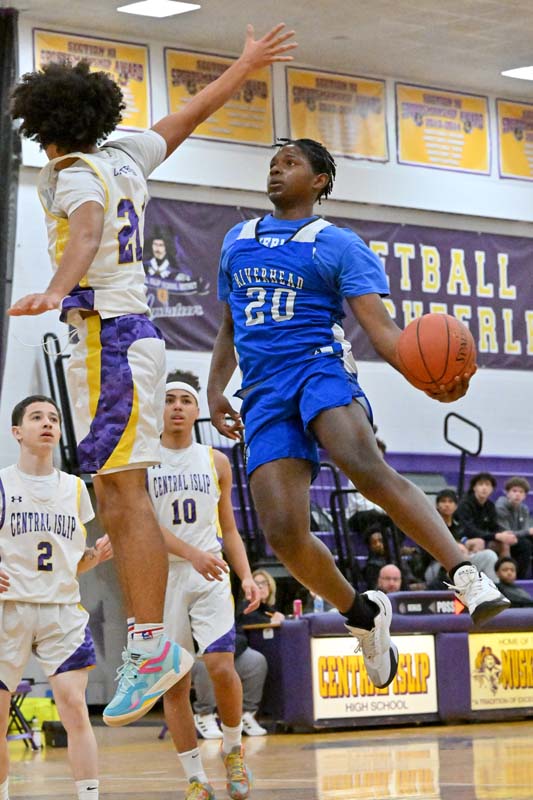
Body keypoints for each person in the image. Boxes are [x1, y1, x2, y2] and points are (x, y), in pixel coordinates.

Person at [9, 23, 297, 727]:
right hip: (123, 339)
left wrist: (56, 288)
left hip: (107, 337)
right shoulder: (127, 154)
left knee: (122, 491)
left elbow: (85, 229)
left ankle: (147, 645)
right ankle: (150, 643)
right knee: (114, 487)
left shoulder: (76, 172)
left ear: (43, 129)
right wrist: (244, 63)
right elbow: (187, 115)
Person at [207, 137, 509, 691]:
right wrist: (213, 389)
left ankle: (465, 572)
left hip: (317, 366)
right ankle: (363, 615)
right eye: (273, 163)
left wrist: (428, 381)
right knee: (284, 535)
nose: (277, 170)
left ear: (320, 180)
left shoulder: (338, 243)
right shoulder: (236, 240)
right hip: (263, 391)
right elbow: (229, 325)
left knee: (363, 465)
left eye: (290, 163)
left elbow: (385, 332)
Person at [146, 375, 262, 800]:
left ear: (197, 411)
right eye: (169, 400)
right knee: (175, 682)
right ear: (159, 409)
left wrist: (246, 575)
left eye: (185, 400)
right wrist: (191, 554)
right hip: (162, 576)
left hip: (210, 572)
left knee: (220, 665)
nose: (177, 406)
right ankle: (195, 777)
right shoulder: (144, 460)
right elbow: (145, 528)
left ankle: (233, 751)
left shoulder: (216, 461)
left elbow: (228, 527)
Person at [0, 395, 113, 800]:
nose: (47, 423)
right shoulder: (2, 483)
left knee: (74, 707)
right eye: (36, 417)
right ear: (17, 432)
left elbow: (69, 563)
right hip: (8, 609)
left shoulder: (75, 489)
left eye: (53, 418)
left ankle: (89, 796)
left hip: (61, 611)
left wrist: (93, 558)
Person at [423, 489, 499, 588]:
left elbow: (465, 542)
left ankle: (494, 589)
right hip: (438, 566)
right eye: (443, 501)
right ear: (437, 505)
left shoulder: (460, 525)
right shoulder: (431, 525)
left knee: (489, 555)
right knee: (459, 552)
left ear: (456, 506)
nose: (447, 505)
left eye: (450, 502)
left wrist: (471, 544)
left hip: (463, 563)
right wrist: (456, 547)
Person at [456, 473, 518, 563]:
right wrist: (496, 536)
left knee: (504, 543)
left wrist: (504, 534)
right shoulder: (465, 504)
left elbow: (494, 526)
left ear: (492, 489)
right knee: (479, 542)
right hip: (463, 538)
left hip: (483, 537)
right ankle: (473, 569)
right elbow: (468, 529)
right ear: (474, 487)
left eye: (487, 485)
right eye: (481, 484)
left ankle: (504, 569)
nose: (484, 488)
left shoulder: (490, 505)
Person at [495, 477, 533, 579]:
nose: (517, 494)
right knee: (525, 545)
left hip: (517, 539)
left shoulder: (524, 508)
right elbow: (506, 532)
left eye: (521, 492)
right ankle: (519, 579)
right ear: (507, 493)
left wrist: (527, 532)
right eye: (514, 491)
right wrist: (527, 531)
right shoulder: (501, 507)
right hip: (500, 540)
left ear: (525, 496)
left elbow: (525, 529)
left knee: (527, 542)